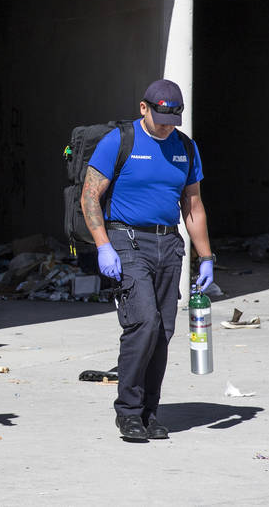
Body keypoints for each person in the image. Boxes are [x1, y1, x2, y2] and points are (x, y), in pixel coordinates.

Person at [81, 79, 213, 442]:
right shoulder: (119, 142)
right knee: (144, 322)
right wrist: (103, 244)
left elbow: (193, 205)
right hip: (127, 241)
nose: (167, 125)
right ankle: (127, 412)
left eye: (173, 119)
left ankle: (150, 412)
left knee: (164, 331)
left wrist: (206, 257)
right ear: (144, 108)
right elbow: (90, 197)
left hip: (168, 244)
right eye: (160, 117)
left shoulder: (185, 147)